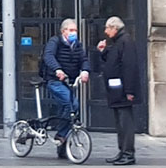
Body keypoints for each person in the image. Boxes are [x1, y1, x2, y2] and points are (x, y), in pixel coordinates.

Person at [41, 17, 89, 160]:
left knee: (67, 111)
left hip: (70, 81)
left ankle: (62, 148)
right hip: (55, 80)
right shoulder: (55, 42)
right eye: (71, 30)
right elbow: (48, 56)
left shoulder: (77, 45)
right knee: (72, 104)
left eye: (75, 30)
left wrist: (85, 71)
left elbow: (84, 59)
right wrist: (58, 69)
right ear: (64, 31)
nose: (74, 33)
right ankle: (61, 135)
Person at [97, 16, 140, 165]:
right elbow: (112, 61)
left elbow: (129, 67)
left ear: (114, 28)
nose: (105, 31)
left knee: (125, 122)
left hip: (123, 90)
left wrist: (129, 91)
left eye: (107, 28)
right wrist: (103, 51)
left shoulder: (125, 41)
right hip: (116, 89)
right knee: (119, 122)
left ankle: (128, 153)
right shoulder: (118, 42)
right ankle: (122, 151)